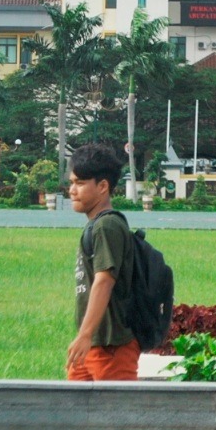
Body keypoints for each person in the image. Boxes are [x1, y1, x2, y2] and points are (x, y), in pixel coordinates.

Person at [66, 142, 138, 381]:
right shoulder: (96, 226)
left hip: (111, 345)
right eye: (72, 182)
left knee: (115, 417)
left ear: (103, 186)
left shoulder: (107, 226)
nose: (72, 190)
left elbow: (104, 281)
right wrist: (85, 337)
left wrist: (85, 334)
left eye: (80, 183)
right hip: (91, 344)